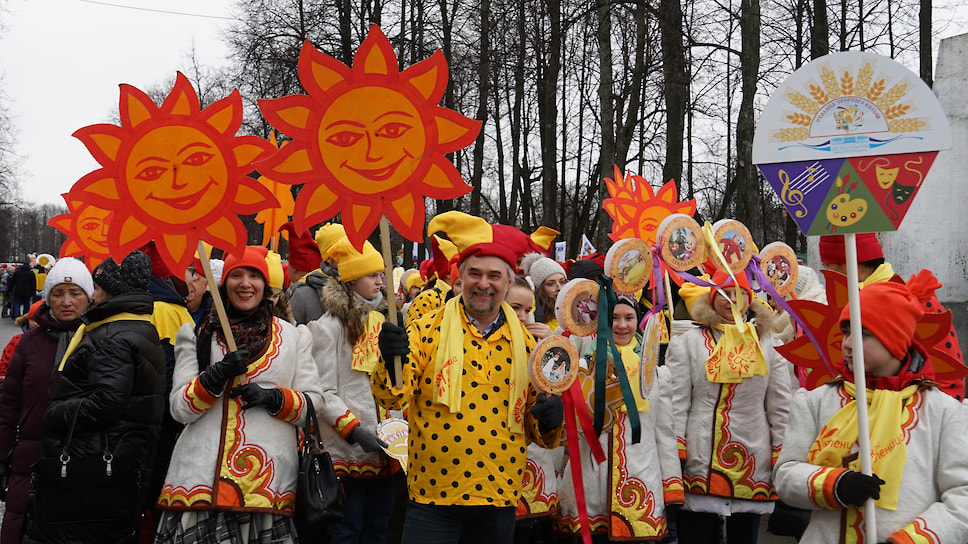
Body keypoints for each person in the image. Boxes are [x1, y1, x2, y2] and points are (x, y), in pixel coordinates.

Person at [373, 212, 563, 544]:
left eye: (494, 275)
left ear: (508, 281)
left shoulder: (530, 345)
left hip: (498, 496)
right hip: (433, 497)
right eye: (474, 273)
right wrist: (390, 360)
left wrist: (550, 419)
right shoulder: (425, 328)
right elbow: (393, 399)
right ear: (461, 276)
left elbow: (536, 427)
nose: (484, 283)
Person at [773, 280, 968, 542]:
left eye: (863, 333)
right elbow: (785, 476)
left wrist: (909, 541)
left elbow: (962, 498)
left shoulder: (944, 412)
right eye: (845, 332)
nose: (848, 344)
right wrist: (834, 484)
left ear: (895, 338)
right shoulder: (815, 401)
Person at [155, 245, 324, 544]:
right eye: (237, 275)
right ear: (224, 284)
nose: (245, 283)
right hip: (199, 486)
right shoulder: (194, 335)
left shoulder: (294, 337)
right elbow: (180, 410)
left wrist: (275, 399)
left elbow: (314, 404)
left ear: (265, 285)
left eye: (254, 276)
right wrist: (214, 376)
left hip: (267, 491)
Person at [23, 251, 166, 544]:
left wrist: (55, 412)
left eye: (97, 288)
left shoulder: (112, 337)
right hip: (117, 468)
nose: (93, 296)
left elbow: (105, 403)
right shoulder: (138, 329)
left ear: (112, 292)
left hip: (91, 471)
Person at [665, 270, 793, 544]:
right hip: (700, 457)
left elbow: (781, 406)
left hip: (753, 456)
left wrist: (782, 453)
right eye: (724, 293)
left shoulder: (771, 346)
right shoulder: (688, 343)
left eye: (740, 293)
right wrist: (676, 450)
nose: (731, 300)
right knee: (697, 536)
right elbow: (677, 402)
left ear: (750, 297)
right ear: (712, 298)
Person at [556, 296, 682, 542]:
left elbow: (664, 433)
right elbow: (566, 429)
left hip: (641, 480)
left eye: (629, 318)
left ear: (638, 321)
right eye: (613, 318)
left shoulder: (656, 373)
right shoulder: (579, 369)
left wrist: (672, 486)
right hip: (590, 481)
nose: (622, 325)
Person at [307, 238, 398, 544]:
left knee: (378, 529)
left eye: (381, 274)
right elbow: (321, 389)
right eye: (372, 275)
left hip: (388, 451)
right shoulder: (327, 327)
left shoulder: (386, 321)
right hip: (348, 452)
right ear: (350, 280)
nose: (380, 281)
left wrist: (398, 429)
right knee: (348, 531)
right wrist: (355, 430)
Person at [0, 258, 93, 544]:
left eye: (75, 293)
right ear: (47, 297)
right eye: (58, 293)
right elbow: (9, 405)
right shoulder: (28, 343)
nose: (66, 301)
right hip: (29, 458)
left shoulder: (100, 340)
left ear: (88, 297)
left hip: (81, 460)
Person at [819, 233, 966, 400]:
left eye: (827, 265)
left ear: (846, 265)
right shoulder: (857, 298)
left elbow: (947, 375)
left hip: (923, 407)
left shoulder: (912, 299)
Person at [288, 222, 345, 325]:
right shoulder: (302, 294)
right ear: (328, 258)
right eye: (343, 249)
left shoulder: (365, 284)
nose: (351, 252)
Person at [519, 254, 566, 331]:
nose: (559, 288)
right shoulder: (532, 313)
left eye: (562, 281)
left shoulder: (574, 308)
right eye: (551, 283)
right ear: (540, 288)